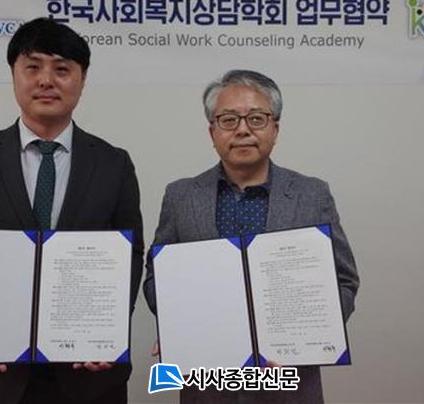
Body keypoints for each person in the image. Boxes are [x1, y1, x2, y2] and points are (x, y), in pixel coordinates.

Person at [0, 17, 144, 404]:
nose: (46, 80)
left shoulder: (114, 163)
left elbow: (130, 251)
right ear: (14, 75)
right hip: (0, 373)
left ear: (82, 79)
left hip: (91, 375)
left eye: (62, 69)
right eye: (33, 67)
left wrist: (107, 331)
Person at [143, 69, 359, 403]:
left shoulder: (311, 194)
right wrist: (179, 326)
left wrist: (308, 338)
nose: (242, 130)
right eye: (229, 119)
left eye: (256, 119)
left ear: (275, 129)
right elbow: (156, 278)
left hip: (289, 385)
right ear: (212, 131)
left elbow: (344, 280)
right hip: (208, 387)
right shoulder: (181, 196)